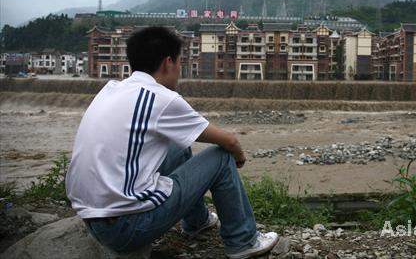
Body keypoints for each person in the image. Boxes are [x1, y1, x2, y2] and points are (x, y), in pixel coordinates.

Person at [66, 26, 279, 258]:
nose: (180, 69)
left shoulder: (111, 90)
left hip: (94, 220)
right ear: (168, 62)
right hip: (129, 227)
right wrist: (239, 157)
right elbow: (228, 141)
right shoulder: (161, 98)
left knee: (178, 146)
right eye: (180, 62)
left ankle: (197, 222)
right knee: (221, 158)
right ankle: (243, 241)